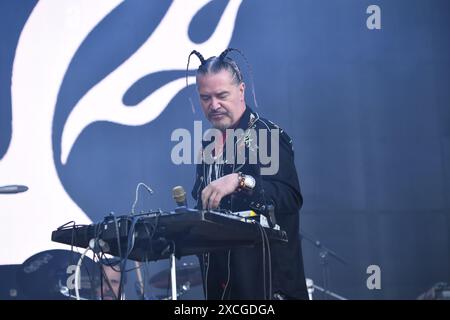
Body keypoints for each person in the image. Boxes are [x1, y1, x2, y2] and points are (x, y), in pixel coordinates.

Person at [189, 48, 309, 300]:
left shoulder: (266, 135)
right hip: (222, 290)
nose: (214, 105)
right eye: (205, 97)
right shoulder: (207, 145)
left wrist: (240, 181)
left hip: (268, 289)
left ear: (241, 90)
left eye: (222, 95)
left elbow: (290, 197)